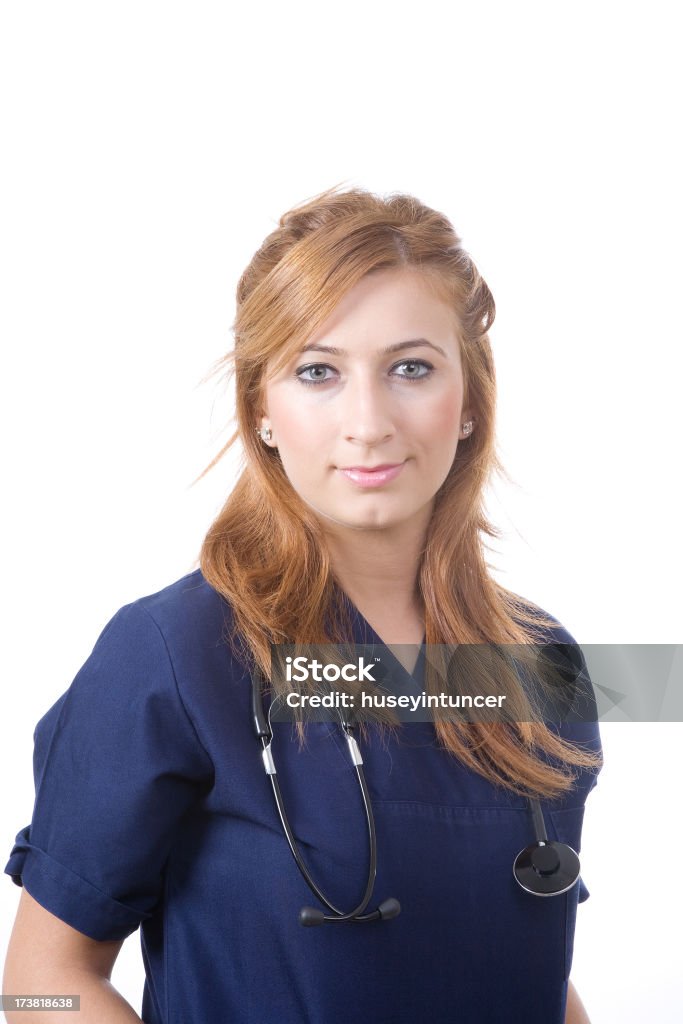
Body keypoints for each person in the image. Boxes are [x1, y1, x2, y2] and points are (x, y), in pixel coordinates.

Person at [3, 186, 602, 1024]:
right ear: (262, 410)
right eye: (317, 372)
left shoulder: (539, 664)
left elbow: (528, 963)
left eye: (411, 368)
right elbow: (41, 981)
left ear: (468, 403)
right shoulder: (176, 655)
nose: (367, 422)